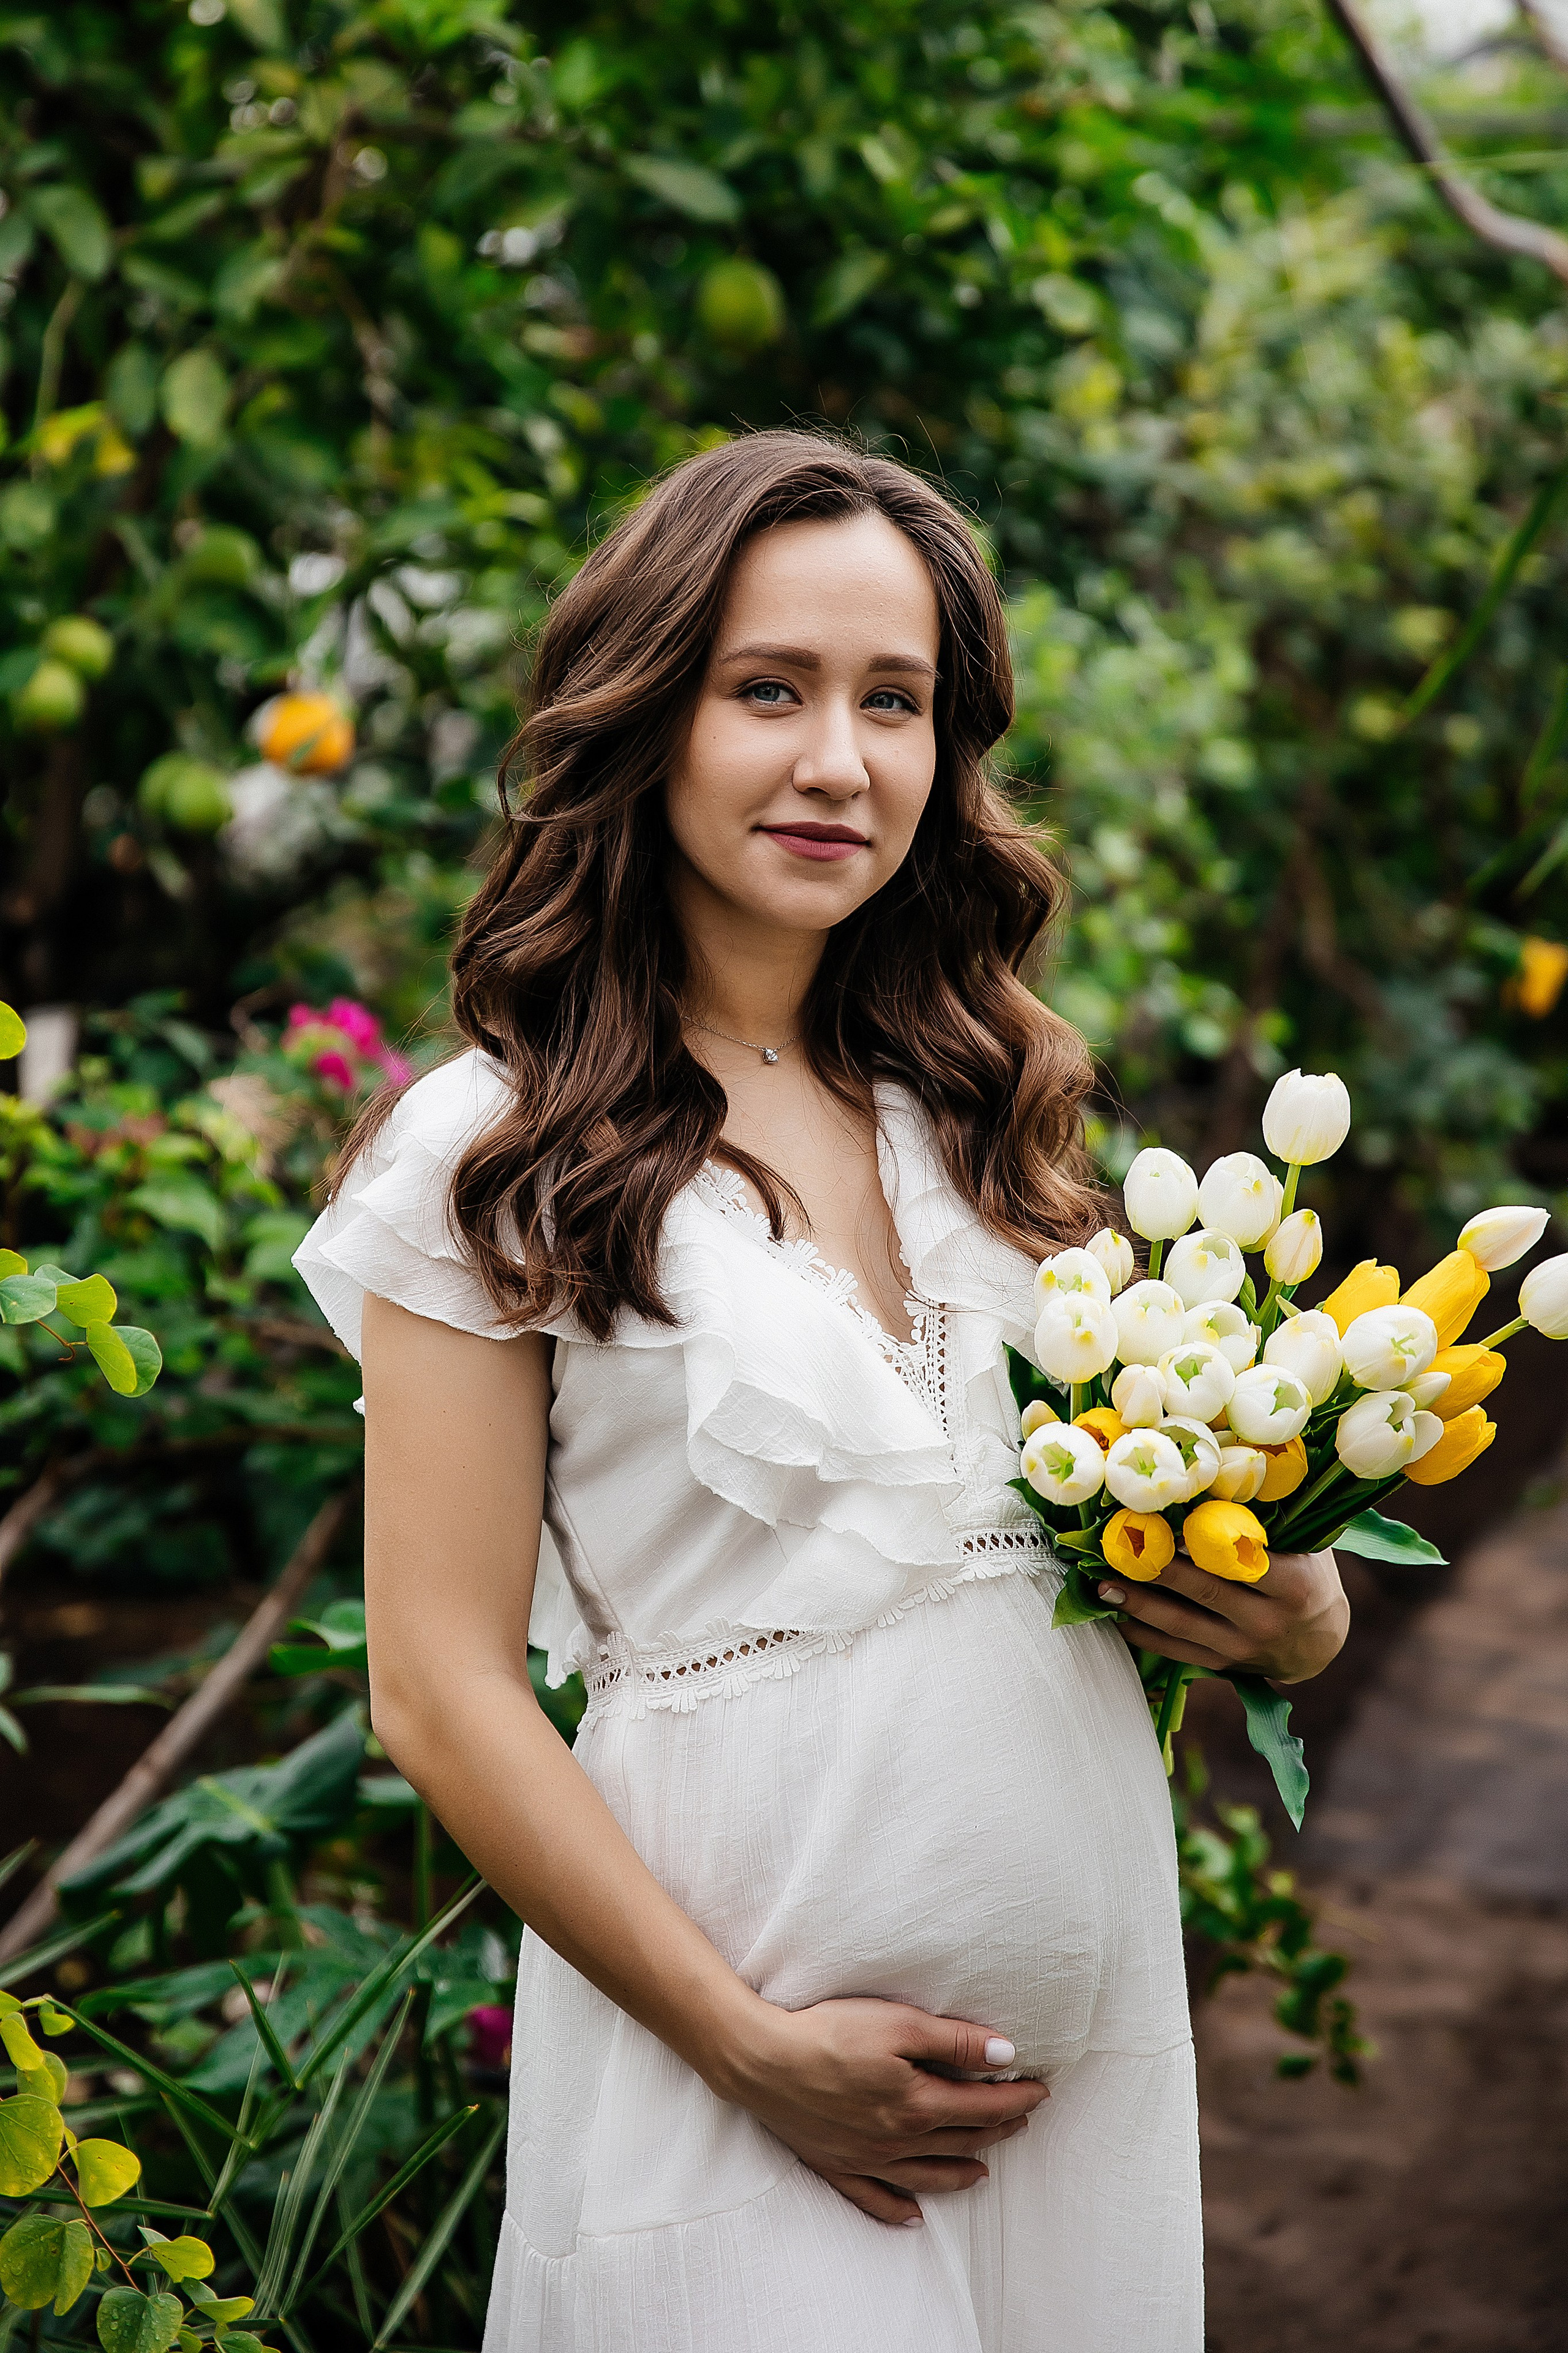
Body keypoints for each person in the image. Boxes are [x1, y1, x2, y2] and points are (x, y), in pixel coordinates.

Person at [294, 430, 1348, 2352]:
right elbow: (436, 1689)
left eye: (896, 702)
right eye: (766, 688)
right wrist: (752, 2047)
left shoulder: (991, 1114)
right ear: (646, 714)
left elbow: (1180, 1519)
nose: (840, 761)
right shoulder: (496, 1147)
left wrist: (1297, 1610)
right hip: (741, 2083)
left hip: (1086, 2074)